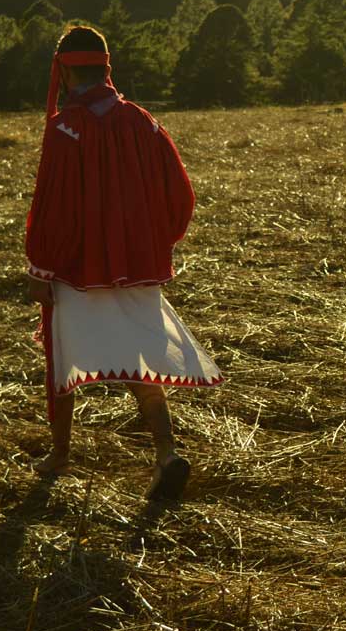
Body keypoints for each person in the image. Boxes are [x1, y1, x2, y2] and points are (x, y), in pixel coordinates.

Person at [25, 25, 223, 499]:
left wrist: (41, 267)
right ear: (105, 67)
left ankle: (59, 456)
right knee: (140, 365)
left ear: (65, 71)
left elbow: (55, 205)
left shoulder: (64, 129)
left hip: (76, 271)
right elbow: (180, 194)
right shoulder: (142, 121)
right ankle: (166, 454)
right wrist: (151, 247)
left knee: (63, 360)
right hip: (137, 269)